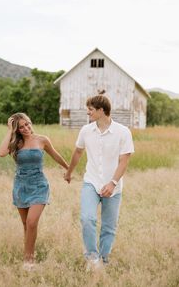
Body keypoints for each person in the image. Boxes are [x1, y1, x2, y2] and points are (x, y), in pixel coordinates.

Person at [64, 92, 134, 270]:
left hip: (114, 186)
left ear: (102, 110)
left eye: (91, 110)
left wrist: (113, 183)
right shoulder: (86, 130)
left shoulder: (123, 132)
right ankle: (92, 258)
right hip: (91, 181)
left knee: (109, 226)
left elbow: (124, 160)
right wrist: (69, 172)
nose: (88, 113)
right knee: (87, 218)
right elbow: (78, 152)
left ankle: (103, 259)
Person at [0, 112, 69, 270]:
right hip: (21, 186)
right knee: (26, 225)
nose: (25, 128)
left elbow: (55, 155)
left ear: (31, 122)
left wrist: (68, 170)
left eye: (27, 124)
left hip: (39, 186)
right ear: (17, 130)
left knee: (31, 222)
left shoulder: (42, 140)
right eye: (21, 127)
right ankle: (29, 251)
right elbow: (2, 153)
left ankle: (28, 260)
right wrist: (10, 131)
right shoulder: (15, 143)